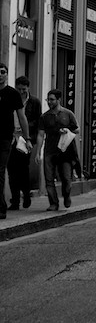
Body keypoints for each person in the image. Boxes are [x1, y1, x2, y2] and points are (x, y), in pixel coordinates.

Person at [35, 89, 78, 211]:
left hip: (65, 151)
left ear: (59, 100)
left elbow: (77, 129)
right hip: (49, 150)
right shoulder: (44, 117)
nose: (49, 102)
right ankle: (53, 203)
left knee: (66, 178)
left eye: (52, 99)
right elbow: (40, 134)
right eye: (48, 99)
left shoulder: (68, 114)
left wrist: (67, 130)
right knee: (49, 178)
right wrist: (38, 152)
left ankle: (66, 195)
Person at [0, 64, 33, 219]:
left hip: (6, 138)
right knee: (7, 172)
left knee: (4, 170)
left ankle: (3, 207)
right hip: (9, 138)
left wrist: (27, 139)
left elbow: (22, 117)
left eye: (2, 72)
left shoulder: (12, 94)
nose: (0, 75)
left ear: (7, 74)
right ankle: (7, 202)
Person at [8, 75, 41, 209]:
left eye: (23, 89)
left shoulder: (35, 102)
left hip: (26, 139)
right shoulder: (12, 99)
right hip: (12, 138)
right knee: (11, 170)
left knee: (23, 169)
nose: (21, 92)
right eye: (19, 89)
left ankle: (26, 195)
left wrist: (26, 126)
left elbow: (38, 121)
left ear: (28, 88)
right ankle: (15, 200)